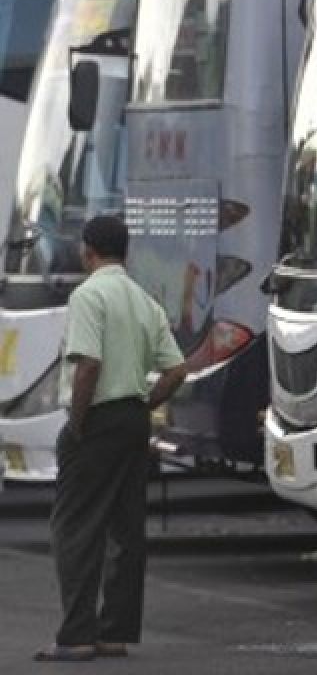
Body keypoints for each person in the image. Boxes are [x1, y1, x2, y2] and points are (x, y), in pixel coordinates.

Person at [34, 214, 188, 663]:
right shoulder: (143, 299)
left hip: (97, 419)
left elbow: (88, 366)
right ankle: (114, 632)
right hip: (133, 420)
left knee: (75, 527)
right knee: (125, 528)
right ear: (126, 252)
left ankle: (77, 636)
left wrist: (77, 423)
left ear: (87, 251)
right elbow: (177, 370)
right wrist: (143, 406)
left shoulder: (88, 295)